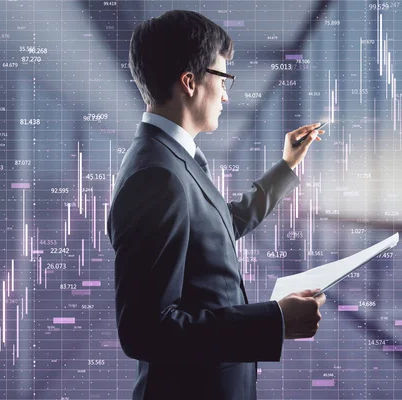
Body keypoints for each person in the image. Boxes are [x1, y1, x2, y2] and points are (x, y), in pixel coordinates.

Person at [107, 9, 326, 400]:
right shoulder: (157, 176)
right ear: (189, 83)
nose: (226, 93)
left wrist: (287, 165)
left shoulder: (170, 158)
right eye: (222, 78)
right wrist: (274, 322)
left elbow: (219, 223)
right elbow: (146, 331)